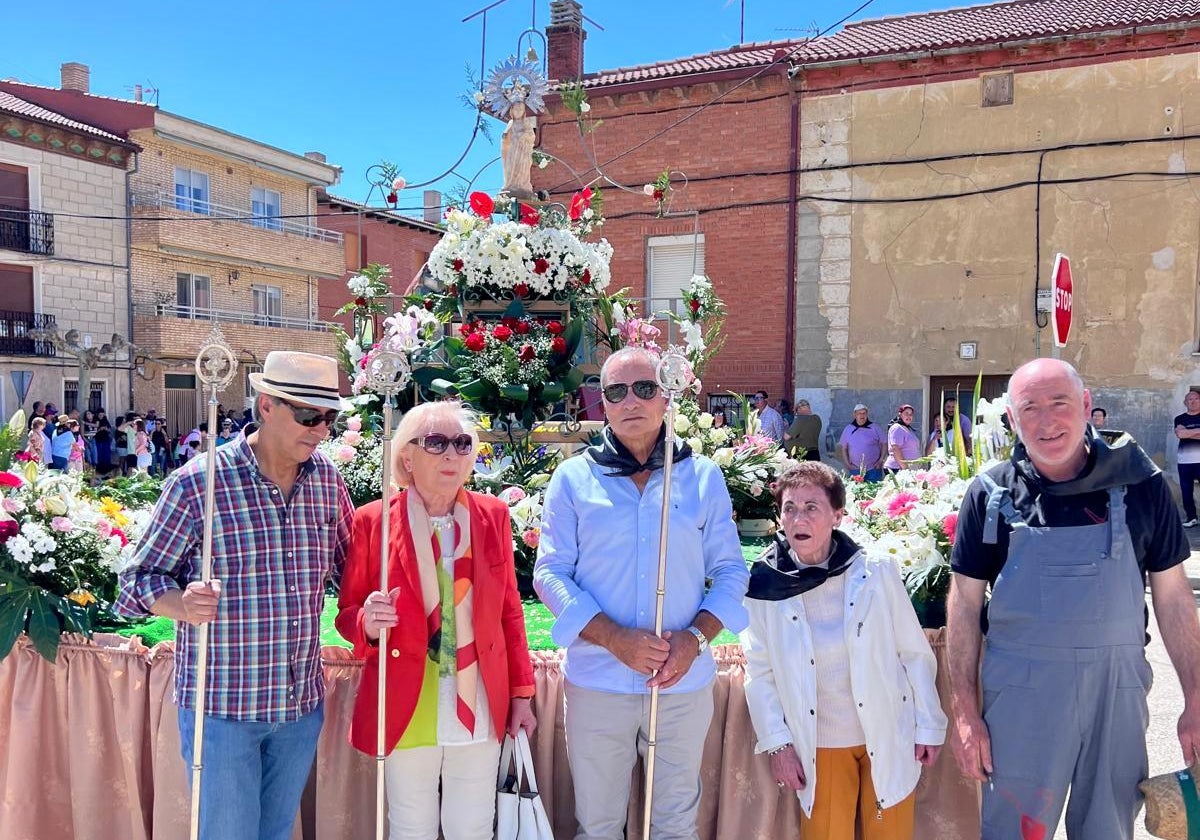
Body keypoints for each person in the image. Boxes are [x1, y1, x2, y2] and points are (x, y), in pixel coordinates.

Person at [947, 358, 1200, 840]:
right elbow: (963, 603)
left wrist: (1196, 696)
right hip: (1019, 694)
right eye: (1030, 409)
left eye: (1059, 403)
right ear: (1013, 422)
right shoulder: (991, 493)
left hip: (1117, 691)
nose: (1046, 421)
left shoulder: (1143, 486)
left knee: (1108, 826)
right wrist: (964, 712)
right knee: (1014, 828)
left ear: (1085, 406)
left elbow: (1173, 597)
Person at [114, 351, 355, 840]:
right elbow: (137, 579)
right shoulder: (197, 483)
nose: (320, 429)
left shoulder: (327, 482)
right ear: (266, 406)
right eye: (307, 415)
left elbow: (352, 573)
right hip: (222, 709)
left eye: (329, 418)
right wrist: (180, 604)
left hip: (299, 705)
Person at [534, 346, 750, 840]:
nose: (632, 401)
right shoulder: (573, 478)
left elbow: (732, 572)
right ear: (603, 404)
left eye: (645, 388)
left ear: (666, 397)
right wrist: (614, 639)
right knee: (599, 826)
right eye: (617, 391)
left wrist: (695, 639)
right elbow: (549, 573)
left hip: (682, 684)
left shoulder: (701, 476)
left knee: (675, 824)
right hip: (598, 683)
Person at [336, 401, 536, 840]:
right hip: (406, 699)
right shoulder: (373, 521)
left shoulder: (492, 515)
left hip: (478, 697)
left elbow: (508, 611)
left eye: (462, 444)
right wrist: (367, 622)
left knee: (474, 826)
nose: (451, 455)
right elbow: (348, 614)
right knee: (412, 827)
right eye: (436, 443)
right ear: (407, 457)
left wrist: (521, 693)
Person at [742, 462, 945, 840]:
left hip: (887, 732)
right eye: (789, 507)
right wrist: (777, 745)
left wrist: (929, 725)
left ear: (838, 515)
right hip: (821, 743)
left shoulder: (877, 571)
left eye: (811, 507)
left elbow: (913, 653)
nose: (798, 517)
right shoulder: (763, 585)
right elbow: (759, 672)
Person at [838, 404, 887, 481]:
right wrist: (848, 464)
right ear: (854, 415)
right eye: (859, 413)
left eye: (864, 413)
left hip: (874, 469)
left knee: (875, 491)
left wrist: (880, 461)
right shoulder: (848, 429)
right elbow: (844, 448)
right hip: (855, 469)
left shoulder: (875, 427)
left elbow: (884, 443)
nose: (862, 415)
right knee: (857, 491)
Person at [1174, 389, 1200, 527]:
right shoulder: (1179, 418)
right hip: (1184, 461)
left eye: (1196, 398)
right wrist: (1196, 432)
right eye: (1190, 399)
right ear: (1185, 402)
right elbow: (1180, 435)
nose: (1193, 401)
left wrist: (1187, 432)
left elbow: (1184, 433)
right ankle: (1191, 518)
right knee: (1186, 491)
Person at [882, 405, 920, 473]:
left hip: (906, 469)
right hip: (897, 468)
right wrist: (905, 468)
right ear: (900, 414)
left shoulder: (907, 429)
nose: (909, 416)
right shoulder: (897, 428)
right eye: (906, 413)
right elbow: (895, 449)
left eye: (911, 414)